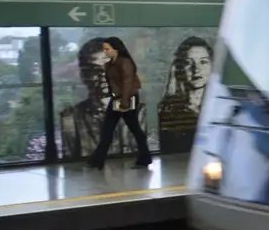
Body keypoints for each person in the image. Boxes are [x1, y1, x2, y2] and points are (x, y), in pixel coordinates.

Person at [87, 37, 154, 170]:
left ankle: (144, 158)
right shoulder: (110, 64)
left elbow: (127, 83)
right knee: (108, 129)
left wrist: (124, 102)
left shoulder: (125, 62)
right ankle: (97, 161)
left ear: (116, 49)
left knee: (134, 128)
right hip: (117, 99)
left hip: (128, 98)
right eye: (104, 49)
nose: (105, 51)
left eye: (107, 49)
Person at [157, 36, 214, 153]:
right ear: (180, 68)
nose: (196, 69)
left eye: (203, 62)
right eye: (188, 63)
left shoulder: (220, 106)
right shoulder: (169, 109)